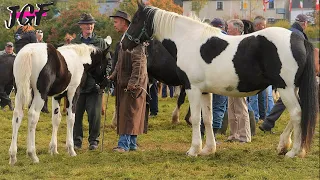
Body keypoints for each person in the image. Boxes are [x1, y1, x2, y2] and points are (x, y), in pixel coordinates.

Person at [259, 14, 310, 132]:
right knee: (290, 96)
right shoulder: (298, 35)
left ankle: (268, 122)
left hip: (286, 68)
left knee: (287, 97)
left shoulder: (290, 32)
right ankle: (270, 122)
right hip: (293, 70)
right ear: (304, 23)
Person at [109, 10, 148, 152]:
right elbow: (120, 61)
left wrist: (134, 82)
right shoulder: (124, 39)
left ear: (124, 23)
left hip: (132, 83)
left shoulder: (134, 40)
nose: (114, 24)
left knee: (129, 113)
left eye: (116, 21)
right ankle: (131, 144)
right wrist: (113, 75)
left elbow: (139, 63)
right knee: (130, 112)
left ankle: (123, 145)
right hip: (125, 81)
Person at [72, 13, 111, 150]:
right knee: (76, 116)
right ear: (81, 26)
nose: (89, 26)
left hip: (95, 85)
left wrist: (105, 77)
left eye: (91, 24)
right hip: (77, 86)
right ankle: (76, 142)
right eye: (86, 24)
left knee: (94, 116)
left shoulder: (101, 42)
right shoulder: (74, 43)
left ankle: (93, 141)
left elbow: (108, 61)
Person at [226, 19, 251, 143]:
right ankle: (233, 134)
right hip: (230, 77)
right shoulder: (230, 40)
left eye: (228, 29)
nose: (226, 30)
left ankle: (244, 136)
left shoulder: (245, 41)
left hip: (241, 78)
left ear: (236, 30)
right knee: (231, 108)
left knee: (241, 107)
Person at [0, 42, 16, 111]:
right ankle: (9, 102)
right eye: (8, 47)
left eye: (10, 47)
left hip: (10, 79)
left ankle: (3, 107)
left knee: (6, 93)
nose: (9, 48)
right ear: (5, 47)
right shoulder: (0, 54)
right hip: (1, 78)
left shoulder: (16, 57)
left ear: (13, 48)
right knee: (1, 92)